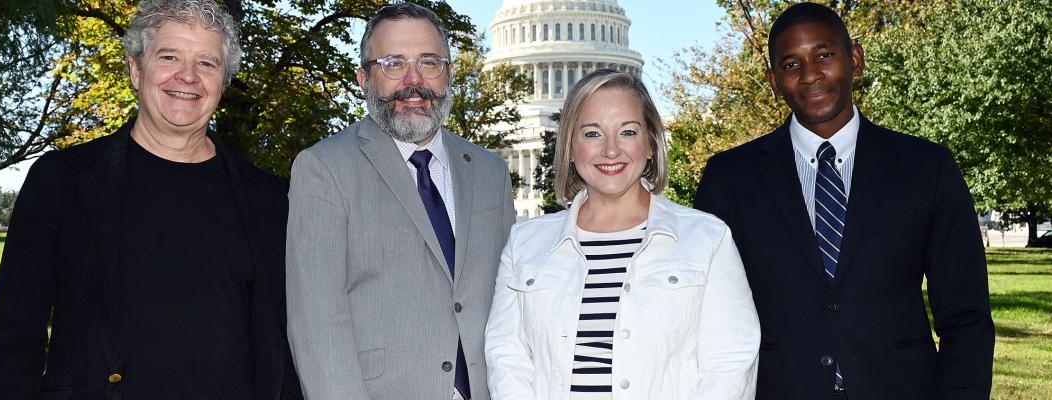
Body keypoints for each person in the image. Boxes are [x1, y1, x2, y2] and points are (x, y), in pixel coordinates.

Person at [0, 0, 302, 398]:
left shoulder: (270, 197)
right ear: (136, 69)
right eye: (169, 56)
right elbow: (15, 334)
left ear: (224, 81)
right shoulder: (63, 180)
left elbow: (286, 341)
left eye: (207, 63)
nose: (188, 77)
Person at [694, 3, 995, 399]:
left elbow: (967, 317)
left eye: (824, 55)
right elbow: (705, 320)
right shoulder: (729, 178)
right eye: (790, 65)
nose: (811, 76)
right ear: (772, 80)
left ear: (855, 58)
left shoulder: (926, 167)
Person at [284, 3, 516, 400]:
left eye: (429, 62)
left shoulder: (491, 172)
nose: (414, 81)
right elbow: (317, 322)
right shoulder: (323, 168)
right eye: (393, 64)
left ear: (449, 74)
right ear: (363, 78)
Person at [485, 69, 761, 400]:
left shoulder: (707, 239)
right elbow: (507, 360)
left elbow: (730, 366)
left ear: (651, 144)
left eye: (627, 132)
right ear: (571, 148)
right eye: (592, 134)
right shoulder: (525, 244)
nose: (611, 150)